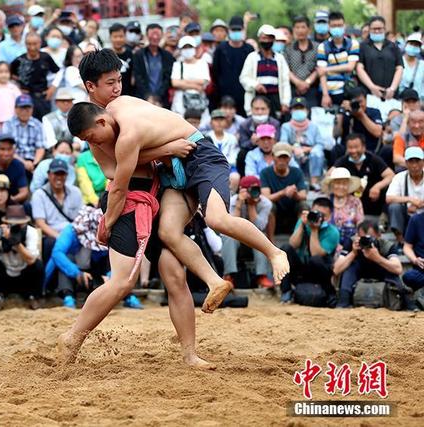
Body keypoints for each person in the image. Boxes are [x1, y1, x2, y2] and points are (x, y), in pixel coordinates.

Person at [60, 49, 218, 369]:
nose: (117, 88)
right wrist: (167, 149)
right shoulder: (95, 126)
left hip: (156, 196)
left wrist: (168, 148)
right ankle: (73, 337)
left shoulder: (129, 109)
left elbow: (150, 143)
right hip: (127, 200)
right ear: (91, 87)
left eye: (119, 80)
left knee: (175, 276)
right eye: (109, 83)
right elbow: (116, 173)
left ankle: (189, 354)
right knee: (122, 282)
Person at [66, 98, 290, 303]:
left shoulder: (126, 123)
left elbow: (119, 186)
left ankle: (274, 252)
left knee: (216, 218)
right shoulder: (115, 131)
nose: (91, 143)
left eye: (90, 137)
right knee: (168, 232)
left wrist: (107, 223)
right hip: (172, 169)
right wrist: (166, 149)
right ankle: (215, 281)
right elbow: (121, 164)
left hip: (200, 157)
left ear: (101, 121)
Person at [333, 220, 408, 309]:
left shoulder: (386, 245)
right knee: (350, 267)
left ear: (379, 235)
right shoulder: (352, 243)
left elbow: (398, 269)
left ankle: (404, 303)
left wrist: (378, 258)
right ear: (357, 236)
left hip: (380, 272)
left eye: (369, 238)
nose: (366, 241)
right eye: (362, 238)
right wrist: (353, 253)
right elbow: (336, 270)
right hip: (358, 273)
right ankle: (343, 302)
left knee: (390, 269)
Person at [45, 205, 109, 308]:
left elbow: (111, 260)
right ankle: (68, 297)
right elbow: (57, 253)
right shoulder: (71, 231)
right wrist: (77, 274)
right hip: (70, 270)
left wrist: (110, 277)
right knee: (65, 259)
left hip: (94, 271)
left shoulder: (105, 237)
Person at [279, 197, 340, 305]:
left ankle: (328, 293)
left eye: (323, 216)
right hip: (300, 270)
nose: (319, 218)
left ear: (329, 216)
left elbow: (316, 254)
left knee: (315, 259)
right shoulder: (304, 221)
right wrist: (302, 224)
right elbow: (293, 244)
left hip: (319, 273)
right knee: (285, 249)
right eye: (316, 213)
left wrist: (314, 230)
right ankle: (286, 291)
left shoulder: (333, 232)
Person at [0, 204, 42, 311]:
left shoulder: (31, 232)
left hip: (24, 277)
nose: (16, 228)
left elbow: (31, 260)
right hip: (4, 276)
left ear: (25, 223)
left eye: (19, 225)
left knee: (38, 265)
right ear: (6, 223)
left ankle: (33, 297)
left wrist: (17, 243)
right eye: (13, 224)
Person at [221, 176, 273, 288]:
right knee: (227, 236)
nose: (254, 192)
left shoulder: (265, 203)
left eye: (256, 189)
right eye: (250, 189)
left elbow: (259, 227)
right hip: (237, 238)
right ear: (242, 190)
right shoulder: (233, 200)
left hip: (253, 239)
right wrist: (239, 205)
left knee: (261, 236)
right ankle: (229, 275)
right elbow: (230, 227)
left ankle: (262, 276)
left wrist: (251, 206)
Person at [31, 158, 83, 261]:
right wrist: (59, 237)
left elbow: (81, 216)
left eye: (62, 174)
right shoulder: (39, 194)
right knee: (51, 244)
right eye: (56, 174)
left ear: (66, 175)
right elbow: (40, 223)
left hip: (72, 232)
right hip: (52, 233)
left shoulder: (75, 192)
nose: (59, 177)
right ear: (49, 174)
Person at [334, 133, 394, 216]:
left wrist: (378, 186)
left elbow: (390, 175)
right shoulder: (343, 161)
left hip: (373, 200)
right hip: (350, 201)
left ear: (363, 147)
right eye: (350, 148)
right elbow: (330, 175)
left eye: (356, 147)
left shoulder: (373, 159)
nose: (353, 151)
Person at [240, 24, 291, 117]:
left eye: (269, 38)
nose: (266, 41)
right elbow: (244, 78)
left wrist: (285, 102)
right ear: (259, 39)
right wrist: (256, 85)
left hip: (275, 99)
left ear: (273, 40)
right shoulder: (252, 57)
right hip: (257, 98)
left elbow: (285, 82)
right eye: (264, 38)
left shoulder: (279, 58)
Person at [356, 16, 403, 115]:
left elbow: (399, 68)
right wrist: (372, 87)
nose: (377, 31)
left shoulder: (393, 46)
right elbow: (359, 68)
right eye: (374, 29)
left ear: (385, 29)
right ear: (369, 30)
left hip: (391, 95)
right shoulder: (363, 46)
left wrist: (392, 88)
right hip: (369, 94)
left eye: (380, 28)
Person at [260, 142, 308, 235]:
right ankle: (270, 244)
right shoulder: (265, 173)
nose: (282, 160)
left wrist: (295, 194)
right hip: (275, 214)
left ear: (290, 158)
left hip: (292, 214)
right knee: (268, 205)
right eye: (279, 157)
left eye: (285, 157)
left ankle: (298, 240)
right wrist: (283, 192)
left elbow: (303, 196)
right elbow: (265, 197)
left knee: (303, 206)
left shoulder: (297, 172)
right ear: (273, 157)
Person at [10, 32, 59, 120]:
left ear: (40, 43)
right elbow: (10, 75)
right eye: (29, 44)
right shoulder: (19, 60)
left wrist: (53, 87)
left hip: (43, 97)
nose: (32, 47)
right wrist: (17, 88)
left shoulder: (46, 57)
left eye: (35, 44)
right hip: (26, 98)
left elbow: (58, 71)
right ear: (25, 44)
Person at [212, 16, 254, 117]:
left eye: (238, 29)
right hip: (224, 95)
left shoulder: (249, 49)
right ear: (229, 31)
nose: (236, 32)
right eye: (233, 29)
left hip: (245, 95)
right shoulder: (221, 49)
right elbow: (215, 72)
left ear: (243, 30)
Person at [279, 96, 325, 188]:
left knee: (317, 153)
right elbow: (283, 143)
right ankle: (298, 182)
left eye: (301, 108)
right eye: (296, 108)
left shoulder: (314, 126)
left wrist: (308, 149)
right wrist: (294, 149)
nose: (299, 111)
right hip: (294, 153)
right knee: (287, 155)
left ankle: (314, 182)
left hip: (310, 153)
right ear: (291, 111)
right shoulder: (286, 126)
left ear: (307, 111)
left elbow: (320, 144)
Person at [317, 12, 360, 108]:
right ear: (329, 27)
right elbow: (321, 73)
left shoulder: (353, 44)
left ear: (344, 26)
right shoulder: (323, 46)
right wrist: (325, 95)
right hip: (328, 92)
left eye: (339, 25)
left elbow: (350, 67)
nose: (337, 28)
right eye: (334, 26)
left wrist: (327, 69)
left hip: (346, 91)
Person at [132, 23, 175, 107]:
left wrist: (158, 96)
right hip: (143, 98)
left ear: (162, 36)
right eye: (152, 34)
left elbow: (167, 78)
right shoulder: (139, 55)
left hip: (162, 99)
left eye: (158, 34)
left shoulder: (168, 56)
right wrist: (148, 96)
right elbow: (138, 77)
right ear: (147, 35)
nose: (155, 37)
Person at [386, 147, 424, 241]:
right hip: (406, 215)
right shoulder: (399, 177)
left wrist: (420, 205)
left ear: (423, 161)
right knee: (394, 207)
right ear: (406, 163)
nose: (415, 165)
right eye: (411, 161)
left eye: (418, 161)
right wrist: (410, 200)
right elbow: (389, 198)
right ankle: (401, 240)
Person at [334, 86, 384, 159]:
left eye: (360, 102)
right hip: (348, 152)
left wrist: (361, 115)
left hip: (370, 150)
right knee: (336, 149)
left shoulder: (374, 112)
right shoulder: (346, 114)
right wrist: (340, 114)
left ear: (366, 100)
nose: (359, 105)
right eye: (355, 103)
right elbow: (336, 134)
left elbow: (378, 132)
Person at [236, 96, 280, 176]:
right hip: (251, 149)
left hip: (271, 150)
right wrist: (252, 142)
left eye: (263, 109)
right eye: (256, 109)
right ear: (251, 110)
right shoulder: (244, 125)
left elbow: (277, 140)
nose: (259, 112)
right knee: (241, 154)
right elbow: (242, 143)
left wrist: (266, 140)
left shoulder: (275, 123)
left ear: (268, 110)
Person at [322, 167, 364, 249]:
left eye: (344, 183)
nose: (341, 186)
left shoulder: (355, 201)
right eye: (337, 183)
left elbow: (360, 223)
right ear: (332, 185)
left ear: (348, 185)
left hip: (350, 243)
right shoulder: (325, 201)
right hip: (328, 242)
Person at [2, 94, 45, 173]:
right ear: (15, 109)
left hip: (33, 162)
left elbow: (40, 148)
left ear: (32, 109)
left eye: (27, 108)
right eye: (22, 108)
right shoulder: (8, 124)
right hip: (14, 160)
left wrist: (34, 164)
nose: (25, 111)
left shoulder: (38, 124)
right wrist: (24, 163)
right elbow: (7, 148)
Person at [170, 35, 209, 120]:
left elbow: (203, 81)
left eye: (190, 47)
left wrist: (183, 82)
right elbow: (175, 82)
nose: (187, 50)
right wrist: (195, 86)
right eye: (184, 47)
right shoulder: (177, 65)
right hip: (181, 104)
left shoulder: (202, 63)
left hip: (199, 102)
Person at [284, 16, 318, 107]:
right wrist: (298, 83)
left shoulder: (317, 47)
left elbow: (319, 68)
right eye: (297, 27)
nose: (300, 30)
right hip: (293, 88)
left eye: (303, 27)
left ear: (309, 29)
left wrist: (307, 83)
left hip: (312, 89)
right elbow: (285, 69)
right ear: (294, 29)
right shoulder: (288, 48)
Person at [402, 211, 424, 296]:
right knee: (408, 277)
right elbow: (407, 247)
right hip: (421, 270)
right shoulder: (415, 219)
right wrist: (415, 260)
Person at [108, 23, 133, 96]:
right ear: (110, 37)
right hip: (111, 95)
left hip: (128, 95)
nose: (118, 39)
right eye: (115, 37)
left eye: (121, 36)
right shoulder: (106, 55)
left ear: (125, 37)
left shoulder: (130, 53)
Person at [399, 33, 424, 99]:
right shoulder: (398, 62)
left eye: (416, 45)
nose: (413, 47)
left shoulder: (422, 64)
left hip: (419, 101)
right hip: (401, 100)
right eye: (411, 44)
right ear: (406, 45)